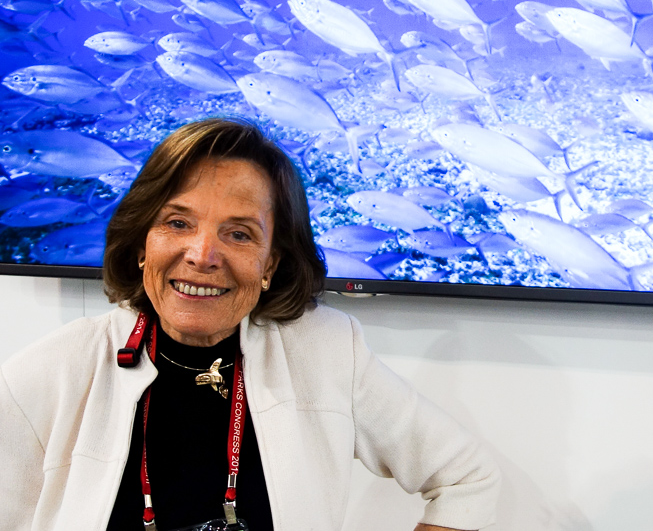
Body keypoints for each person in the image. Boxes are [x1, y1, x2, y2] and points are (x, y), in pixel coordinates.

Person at [0, 118, 500, 531]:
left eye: (238, 234)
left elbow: (467, 479)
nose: (202, 256)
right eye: (178, 223)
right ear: (140, 244)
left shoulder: (325, 350)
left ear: (270, 264)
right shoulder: (47, 374)